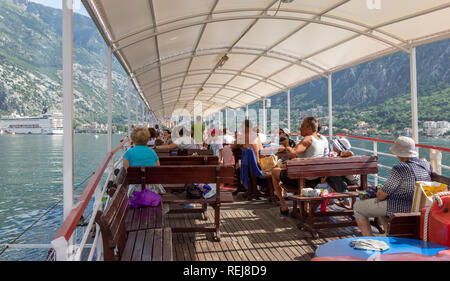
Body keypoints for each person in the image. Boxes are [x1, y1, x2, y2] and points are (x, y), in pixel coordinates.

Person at [353, 136, 432, 236]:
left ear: (398, 153)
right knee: (381, 208)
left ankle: (370, 240)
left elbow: (381, 195)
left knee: (358, 207)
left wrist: (377, 191)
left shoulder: (400, 168)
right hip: (420, 206)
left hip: (401, 207)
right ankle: (387, 235)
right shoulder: (426, 165)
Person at [271, 117, 329, 216]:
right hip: (316, 179)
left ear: (309, 128)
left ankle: (283, 205)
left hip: (303, 179)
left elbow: (292, 154)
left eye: (302, 126)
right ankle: (302, 206)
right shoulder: (321, 140)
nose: (300, 129)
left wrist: (286, 145)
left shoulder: (307, 139)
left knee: (274, 171)